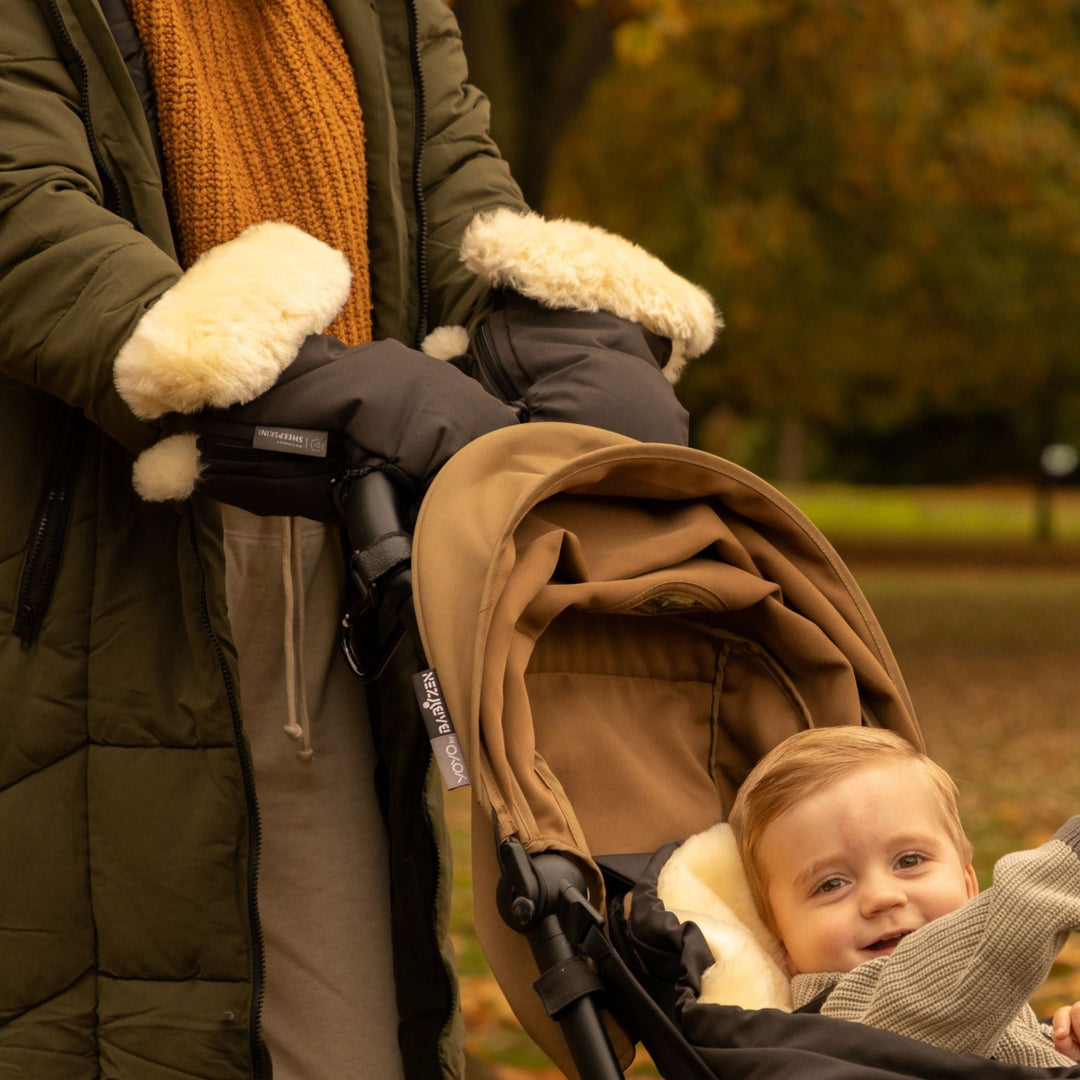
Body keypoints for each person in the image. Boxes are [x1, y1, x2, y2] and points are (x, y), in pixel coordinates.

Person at [0, 2, 719, 1079]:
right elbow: (30, 219)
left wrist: (574, 347)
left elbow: (459, 198)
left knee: (343, 1031)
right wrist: (300, 375)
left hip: (343, 570)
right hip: (97, 590)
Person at [728, 726, 1080, 1068]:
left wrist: (1055, 1050)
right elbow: (954, 981)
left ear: (969, 884)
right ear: (782, 944)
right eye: (831, 884)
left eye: (909, 861)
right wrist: (1067, 863)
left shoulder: (982, 994)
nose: (881, 896)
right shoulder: (838, 1027)